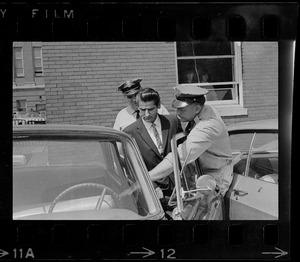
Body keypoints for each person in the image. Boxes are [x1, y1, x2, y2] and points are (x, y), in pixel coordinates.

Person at [149, 84, 233, 197]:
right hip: (201, 174)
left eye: (182, 110)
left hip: (215, 180)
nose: (178, 114)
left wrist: (146, 177)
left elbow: (178, 158)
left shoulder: (207, 127)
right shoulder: (203, 110)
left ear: (197, 108)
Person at [123, 88, 183, 198]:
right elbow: (132, 166)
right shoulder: (129, 133)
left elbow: (184, 150)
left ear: (159, 105)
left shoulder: (173, 121)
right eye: (142, 110)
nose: (146, 114)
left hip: (180, 189)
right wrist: (153, 186)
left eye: (151, 109)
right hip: (154, 194)